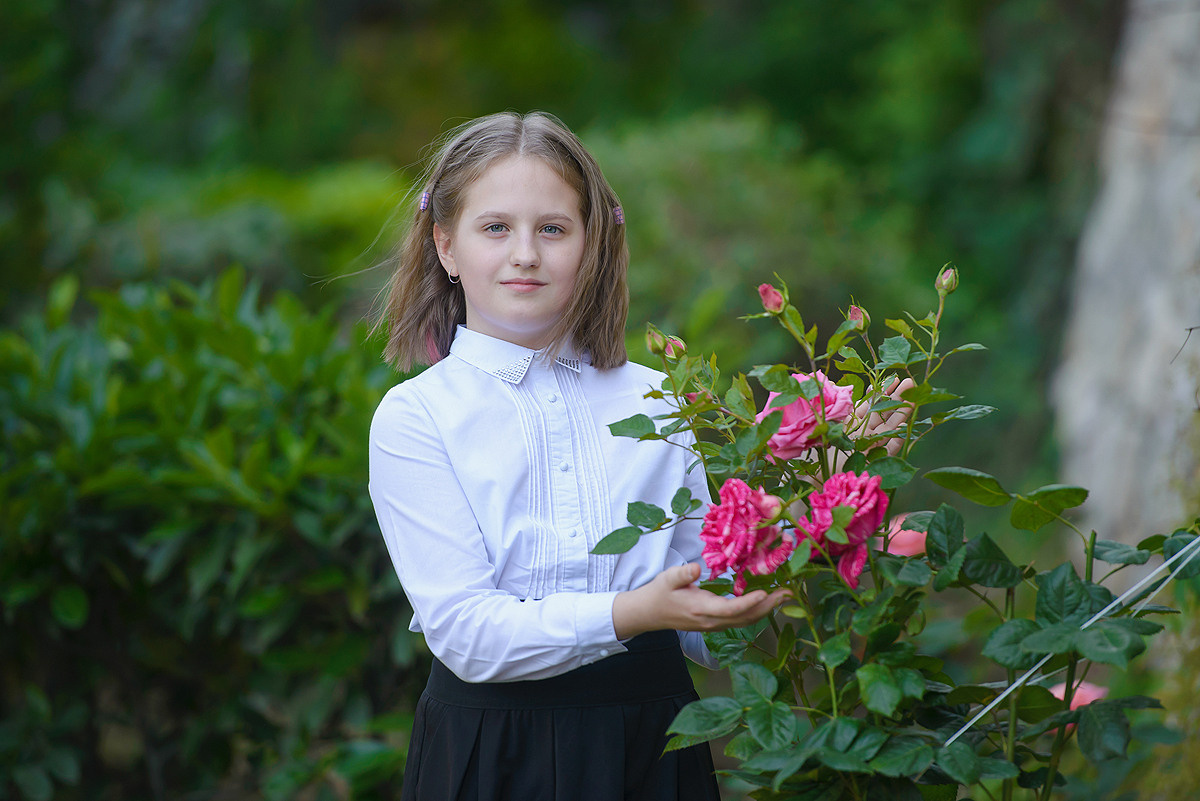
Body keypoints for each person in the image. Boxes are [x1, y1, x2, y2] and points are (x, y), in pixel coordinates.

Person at [367, 111, 787, 801]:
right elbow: (468, 634)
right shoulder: (417, 418)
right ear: (446, 245)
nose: (525, 253)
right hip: (492, 751)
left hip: (655, 740)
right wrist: (633, 612)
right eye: (495, 227)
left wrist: (827, 491)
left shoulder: (660, 400)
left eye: (553, 228)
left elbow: (713, 616)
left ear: (592, 244)